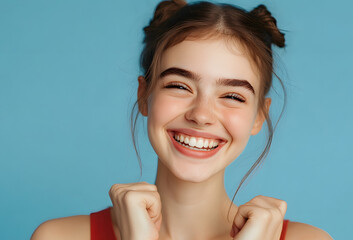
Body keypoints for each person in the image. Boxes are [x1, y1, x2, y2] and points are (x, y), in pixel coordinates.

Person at [31, 1, 333, 239]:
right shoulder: (57, 237)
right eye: (179, 86)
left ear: (258, 117)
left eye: (232, 96)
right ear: (144, 94)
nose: (201, 114)